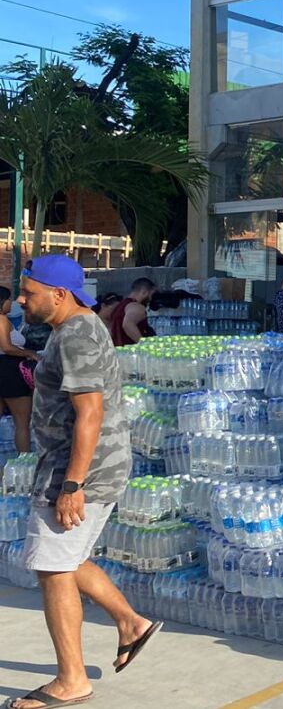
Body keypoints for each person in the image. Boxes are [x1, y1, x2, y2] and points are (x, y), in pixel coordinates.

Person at [11, 255, 160, 709]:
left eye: (28, 292)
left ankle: (71, 680)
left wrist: (73, 485)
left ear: (59, 294)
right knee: (68, 559)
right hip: (82, 467)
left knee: (53, 569)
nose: (21, 299)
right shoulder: (75, 329)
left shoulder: (76, 334)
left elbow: (90, 412)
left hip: (78, 472)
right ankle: (131, 622)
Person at [0, 285, 38, 453]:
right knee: (22, 422)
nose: (12, 303)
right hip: (9, 370)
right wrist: (30, 353)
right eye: (9, 299)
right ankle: (25, 460)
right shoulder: (1, 320)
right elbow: (7, 347)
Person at [108, 278, 156, 348]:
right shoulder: (137, 307)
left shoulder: (119, 306)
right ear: (144, 292)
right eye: (151, 295)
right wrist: (145, 346)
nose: (151, 299)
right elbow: (127, 324)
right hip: (132, 353)